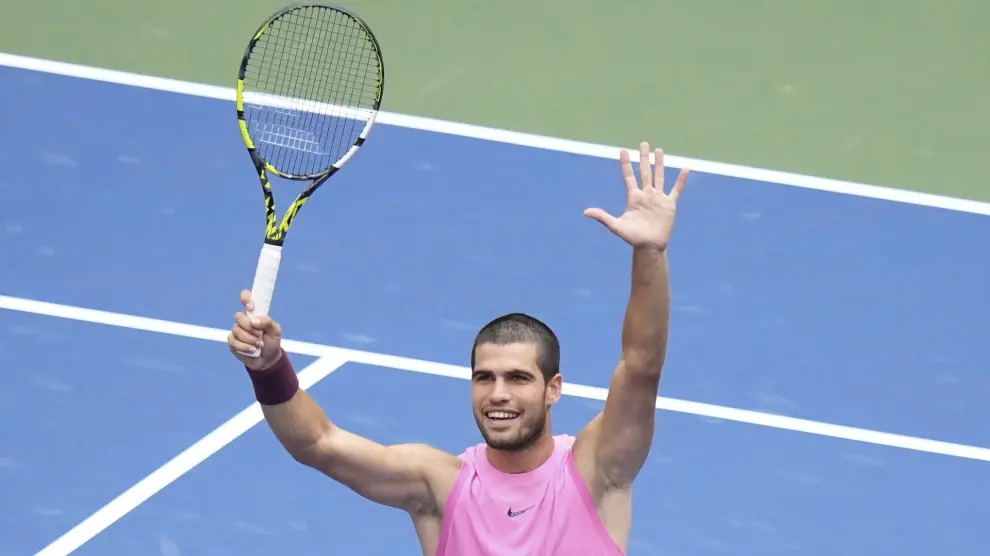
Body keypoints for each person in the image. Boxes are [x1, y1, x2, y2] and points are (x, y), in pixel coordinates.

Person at [227, 141, 690, 556]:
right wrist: (268, 366)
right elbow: (317, 444)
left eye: (518, 378)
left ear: (554, 389)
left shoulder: (596, 467)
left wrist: (649, 252)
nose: (498, 394)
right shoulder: (440, 485)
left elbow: (641, 366)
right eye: (484, 377)